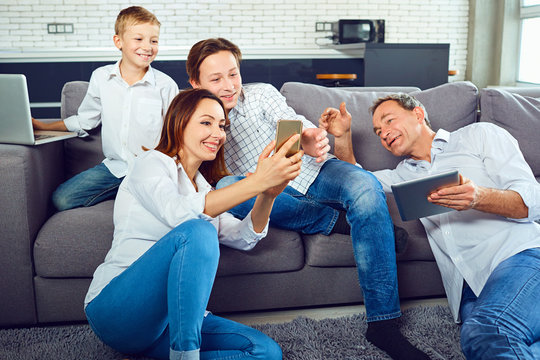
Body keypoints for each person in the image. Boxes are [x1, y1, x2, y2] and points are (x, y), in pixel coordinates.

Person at [186, 37, 429, 360]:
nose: (229, 86)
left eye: (233, 74)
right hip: (270, 190)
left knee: (366, 186)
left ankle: (383, 324)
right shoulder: (194, 117)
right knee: (229, 187)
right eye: (216, 79)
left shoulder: (260, 95)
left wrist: (312, 138)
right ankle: (335, 220)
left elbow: (292, 124)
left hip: (317, 172)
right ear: (195, 83)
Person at [84, 88, 303, 359]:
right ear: (179, 122)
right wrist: (256, 181)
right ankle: (185, 354)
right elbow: (180, 215)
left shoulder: (201, 188)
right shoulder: (150, 164)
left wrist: (267, 194)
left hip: (169, 322)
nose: (219, 134)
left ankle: (180, 351)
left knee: (265, 352)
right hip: (117, 311)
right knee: (197, 231)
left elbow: (243, 237)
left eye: (222, 125)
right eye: (206, 122)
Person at [321, 93, 540, 359]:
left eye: (389, 121)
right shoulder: (401, 176)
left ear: (418, 114)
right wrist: (342, 136)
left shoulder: (478, 135)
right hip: (470, 288)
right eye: (378, 131)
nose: (384, 133)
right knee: (481, 342)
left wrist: (478, 197)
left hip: (522, 256)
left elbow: (533, 202)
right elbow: (353, 184)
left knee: (487, 332)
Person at [33, 6, 179, 211]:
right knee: (61, 200)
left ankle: (133, 194)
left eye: (153, 40)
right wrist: (42, 126)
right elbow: (85, 120)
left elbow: (176, 135)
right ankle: (124, 191)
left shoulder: (166, 85)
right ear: (118, 41)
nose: (147, 47)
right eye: (138, 39)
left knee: (163, 207)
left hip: (152, 171)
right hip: (114, 168)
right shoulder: (101, 77)